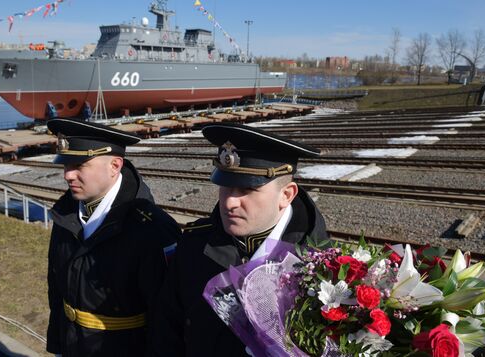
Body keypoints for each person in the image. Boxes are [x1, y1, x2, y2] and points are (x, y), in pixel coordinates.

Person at [153, 123, 329, 356]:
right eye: (225, 187)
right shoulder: (194, 247)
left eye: (247, 189)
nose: (229, 203)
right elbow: (165, 334)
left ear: (286, 195)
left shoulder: (324, 267)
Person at [46, 119, 180, 357]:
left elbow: (166, 319)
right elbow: (57, 288)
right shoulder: (65, 212)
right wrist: (57, 346)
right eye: (65, 164)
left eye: (79, 164)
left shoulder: (152, 230)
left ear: (115, 165)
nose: (68, 175)